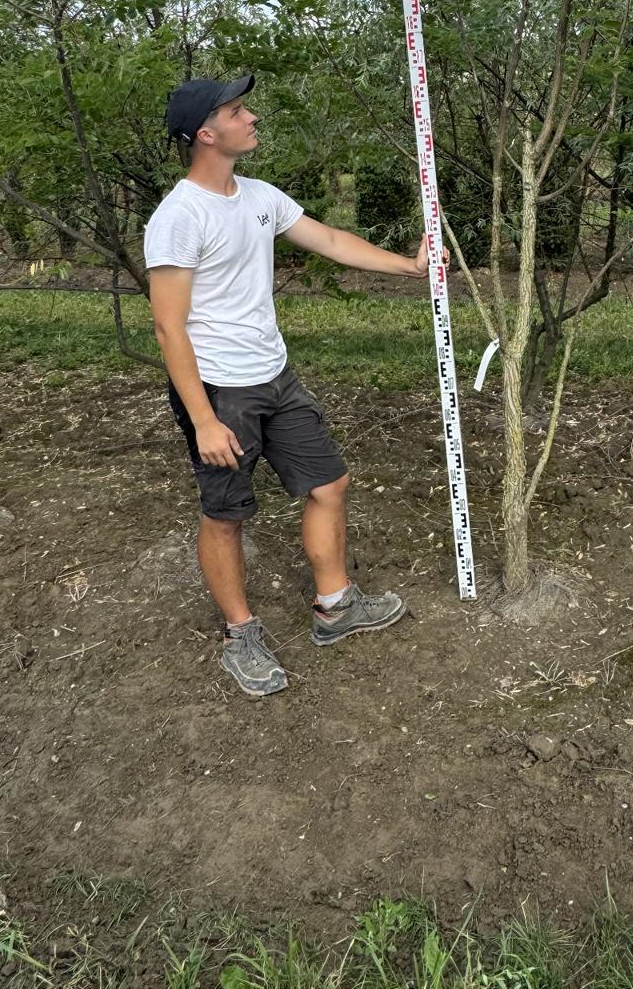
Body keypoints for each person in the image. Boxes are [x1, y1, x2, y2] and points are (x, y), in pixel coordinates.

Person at [145, 73, 426, 699]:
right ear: (206, 133)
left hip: (275, 376)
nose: (252, 118)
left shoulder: (259, 196)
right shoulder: (178, 217)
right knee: (225, 516)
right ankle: (239, 634)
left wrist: (406, 265)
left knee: (329, 484)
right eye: (238, 111)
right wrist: (203, 420)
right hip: (220, 393)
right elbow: (168, 328)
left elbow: (326, 239)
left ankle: (335, 606)